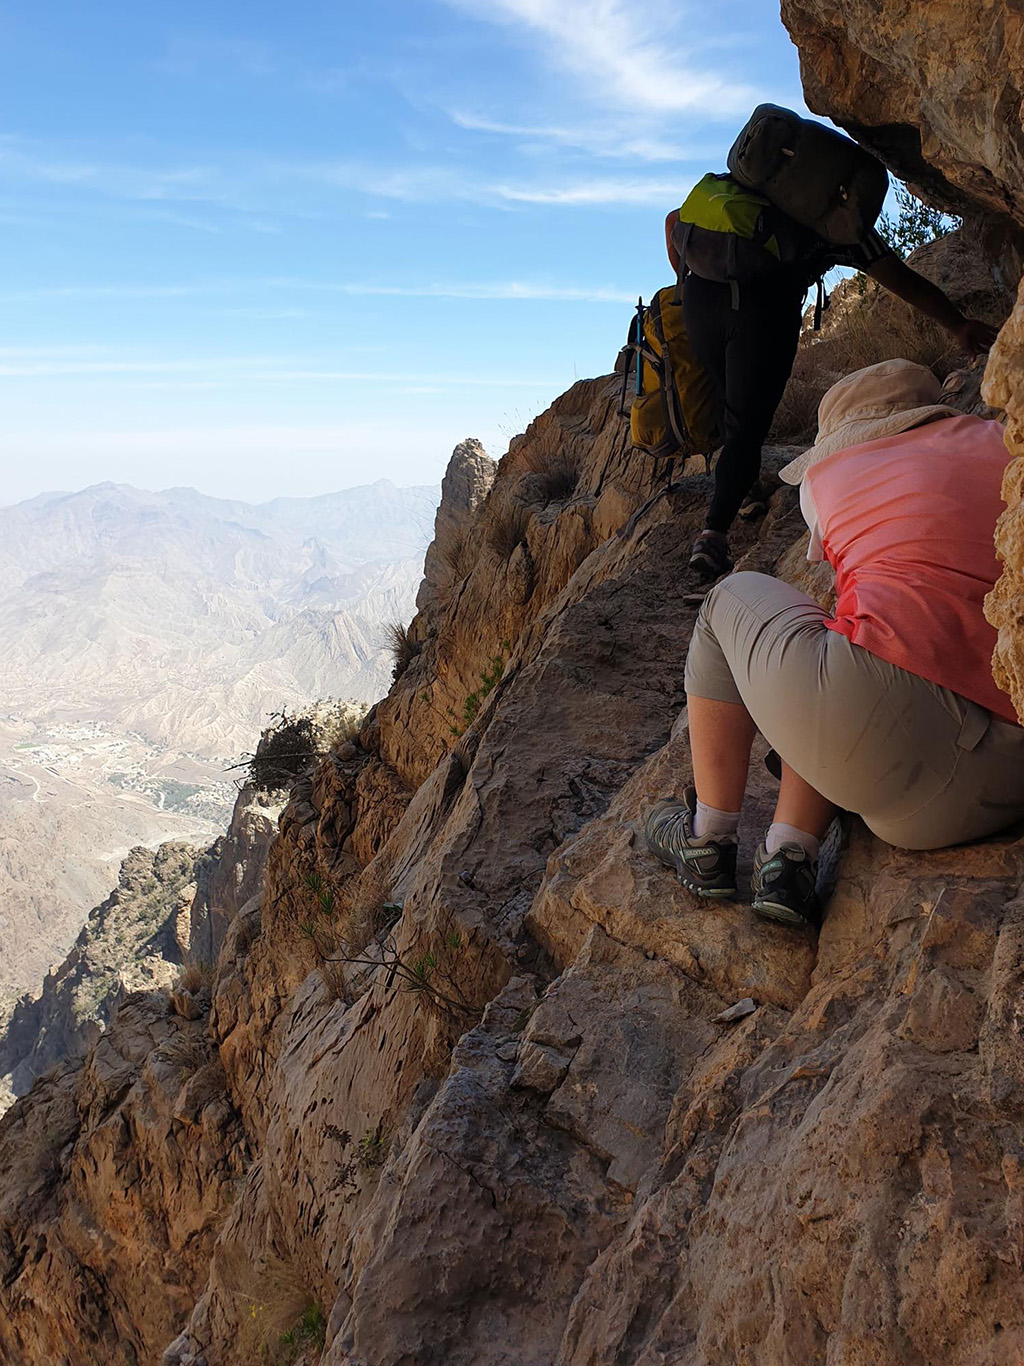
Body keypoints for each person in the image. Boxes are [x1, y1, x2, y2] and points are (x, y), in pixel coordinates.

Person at [644, 358, 1024, 929]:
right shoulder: (1003, 446)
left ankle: (710, 841)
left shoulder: (829, 476)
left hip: (916, 804)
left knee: (740, 605)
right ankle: (785, 861)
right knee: (843, 636)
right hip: (1008, 780)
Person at [666, 192, 1000, 581]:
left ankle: (745, 486)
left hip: (700, 299)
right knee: (748, 420)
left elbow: (673, 222)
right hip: (764, 310)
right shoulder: (836, 221)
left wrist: (686, 281)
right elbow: (898, 276)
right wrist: (956, 323)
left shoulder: (742, 197)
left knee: (729, 399)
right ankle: (712, 538)